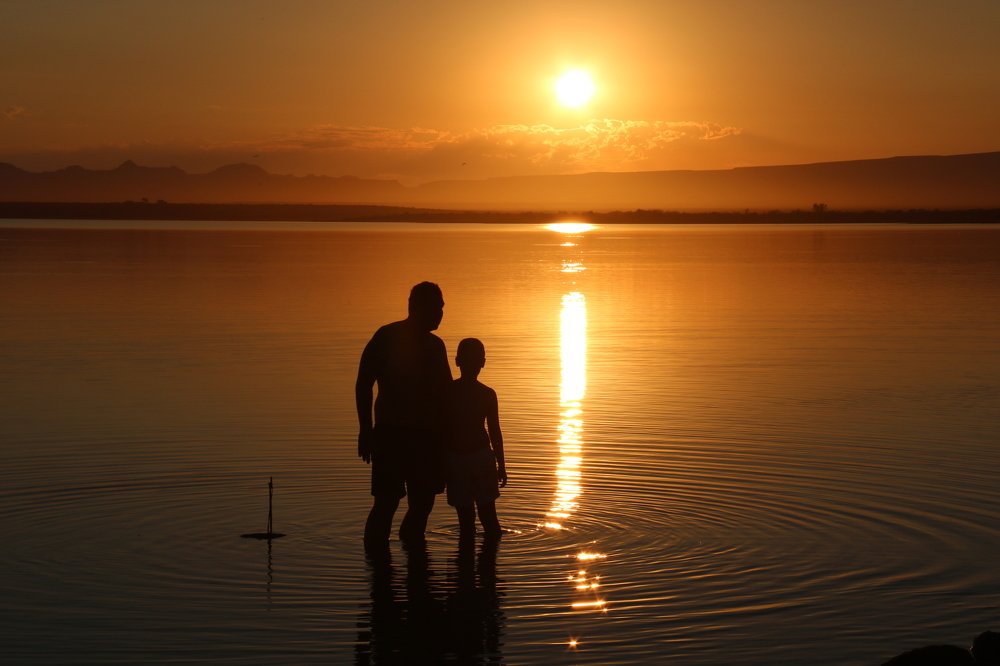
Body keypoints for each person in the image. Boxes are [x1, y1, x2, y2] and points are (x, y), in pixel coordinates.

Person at [356, 282, 452, 547]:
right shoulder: (387, 337)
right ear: (418, 308)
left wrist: (452, 440)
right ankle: (377, 566)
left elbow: (446, 395)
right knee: (386, 503)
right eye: (437, 307)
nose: (441, 313)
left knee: (422, 504)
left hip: (427, 437)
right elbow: (364, 384)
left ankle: (414, 563)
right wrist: (366, 431)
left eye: (442, 307)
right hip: (391, 433)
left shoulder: (436, 346)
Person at [445, 337, 507, 542]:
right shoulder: (487, 394)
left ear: (457, 361)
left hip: (457, 458)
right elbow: (495, 432)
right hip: (481, 457)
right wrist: (501, 464)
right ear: (483, 362)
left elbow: (440, 429)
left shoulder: (448, 392)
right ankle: (488, 566)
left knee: (466, 521)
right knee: (489, 517)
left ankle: (467, 566)